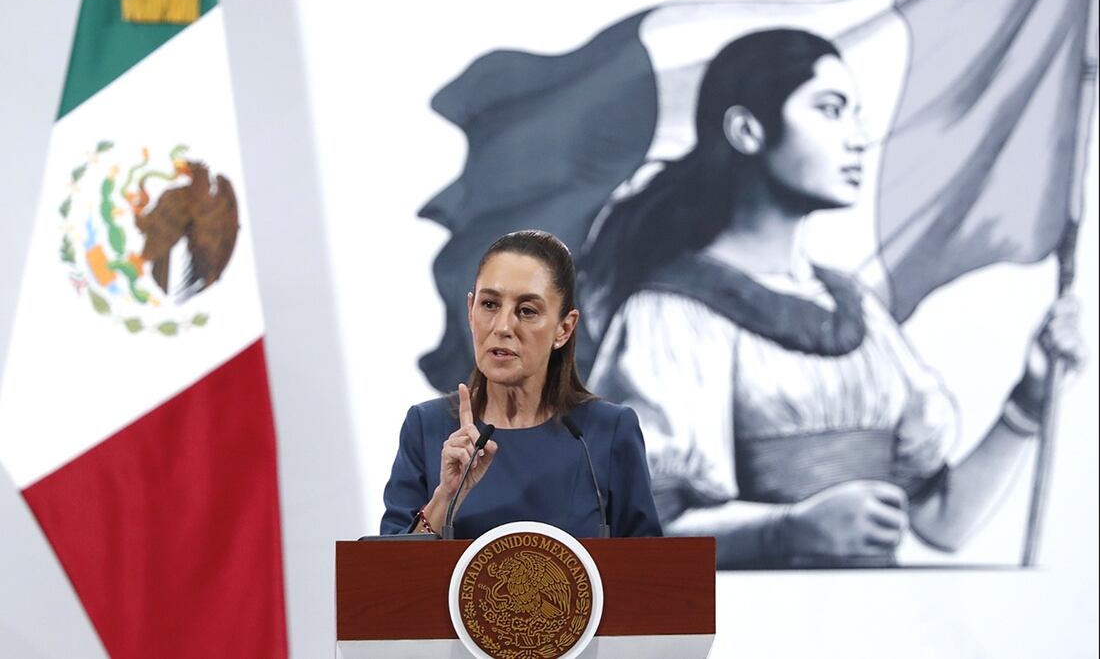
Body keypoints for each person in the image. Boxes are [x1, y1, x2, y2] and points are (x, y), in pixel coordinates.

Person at [581, 29, 1085, 567]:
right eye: (831, 109)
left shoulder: (859, 311)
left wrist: (1029, 401)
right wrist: (785, 531)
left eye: (856, 113)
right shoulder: (670, 315)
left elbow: (942, 522)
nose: (857, 137)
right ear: (747, 130)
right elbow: (634, 537)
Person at [381, 230, 662, 539]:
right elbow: (390, 575)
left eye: (527, 311)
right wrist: (445, 497)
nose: (502, 327)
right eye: (489, 305)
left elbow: (651, 576)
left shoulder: (607, 432)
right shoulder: (428, 427)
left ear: (564, 328)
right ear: (470, 312)